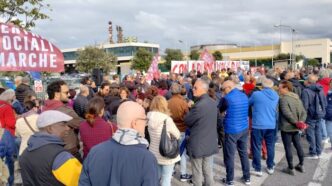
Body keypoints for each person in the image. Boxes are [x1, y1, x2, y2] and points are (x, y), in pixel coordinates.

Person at [79, 101, 158, 186]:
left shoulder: (94, 152)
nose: (146, 124)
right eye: (145, 120)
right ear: (135, 123)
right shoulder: (147, 159)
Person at [19, 110, 82, 185]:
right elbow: (80, 182)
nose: (67, 128)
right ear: (50, 128)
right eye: (63, 124)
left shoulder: (25, 154)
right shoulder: (61, 157)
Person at [184, 78, 218, 186]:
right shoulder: (212, 102)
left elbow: (187, 121)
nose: (192, 89)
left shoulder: (199, 106)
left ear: (203, 89)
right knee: (208, 171)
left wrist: (190, 108)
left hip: (199, 144)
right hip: (210, 142)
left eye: (195, 88)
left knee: (197, 173)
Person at [219, 80, 250, 186]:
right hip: (244, 128)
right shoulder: (244, 96)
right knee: (243, 153)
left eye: (223, 89)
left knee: (230, 155)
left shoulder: (226, 98)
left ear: (228, 87)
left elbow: (219, 111)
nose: (222, 91)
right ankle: (247, 177)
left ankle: (230, 179)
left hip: (231, 130)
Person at [44, 80, 82, 160]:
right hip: (69, 150)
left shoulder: (44, 108)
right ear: (57, 94)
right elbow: (80, 124)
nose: (68, 94)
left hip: (51, 149)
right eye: (66, 92)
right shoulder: (65, 111)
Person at [147, 96, 180, 186]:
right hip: (166, 154)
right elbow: (177, 135)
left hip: (153, 153)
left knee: (156, 178)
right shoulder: (166, 119)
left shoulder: (148, 117)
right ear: (164, 105)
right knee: (166, 179)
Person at [249, 78, 279, 176]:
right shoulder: (276, 95)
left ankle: (258, 169)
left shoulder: (256, 94)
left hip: (258, 124)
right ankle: (270, 166)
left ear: (262, 86)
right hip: (271, 124)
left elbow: (248, 103)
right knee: (270, 146)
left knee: (257, 146)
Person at [279, 81, 307, 175]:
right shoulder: (296, 98)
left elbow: (286, 113)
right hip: (296, 127)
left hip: (287, 127)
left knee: (288, 147)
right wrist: (301, 122)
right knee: (298, 145)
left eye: (281, 88)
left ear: (286, 88)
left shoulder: (283, 99)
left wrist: (296, 123)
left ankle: (291, 168)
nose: (279, 89)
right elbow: (304, 112)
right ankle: (301, 165)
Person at [168, 83, 191, 182]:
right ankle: (183, 173)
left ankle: (171, 170)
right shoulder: (183, 103)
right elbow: (188, 117)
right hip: (181, 129)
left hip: (171, 130)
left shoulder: (167, 102)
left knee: (172, 151)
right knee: (182, 152)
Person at [301, 74, 327, 159]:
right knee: (318, 133)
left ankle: (313, 152)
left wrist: (302, 117)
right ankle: (318, 152)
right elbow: (324, 101)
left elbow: (305, 106)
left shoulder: (306, 91)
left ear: (308, 81)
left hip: (310, 115)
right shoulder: (320, 89)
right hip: (319, 114)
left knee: (311, 134)